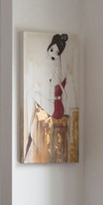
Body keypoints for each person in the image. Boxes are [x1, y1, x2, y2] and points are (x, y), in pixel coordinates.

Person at [24, 33, 76, 162]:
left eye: (56, 53)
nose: (52, 54)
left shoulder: (58, 72)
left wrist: (42, 94)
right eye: (51, 50)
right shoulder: (51, 70)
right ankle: (30, 135)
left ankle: (30, 136)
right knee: (31, 94)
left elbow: (62, 94)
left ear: (59, 56)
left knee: (31, 94)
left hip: (56, 109)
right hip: (52, 104)